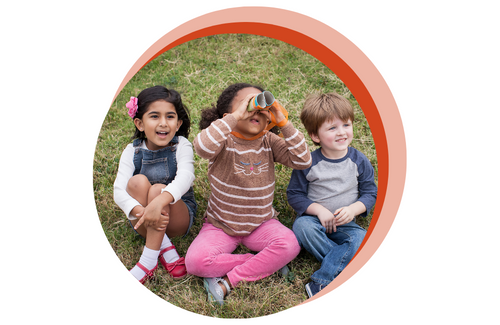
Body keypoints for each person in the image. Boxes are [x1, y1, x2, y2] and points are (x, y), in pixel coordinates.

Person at [185, 83, 312, 305]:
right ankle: (260, 261)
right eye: (248, 105)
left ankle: (230, 280)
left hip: (261, 224)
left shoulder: (269, 141)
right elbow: (201, 147)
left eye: (262, 108)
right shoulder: (222, 141)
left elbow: (303, 161)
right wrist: (234, 118)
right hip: (220, 226)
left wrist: (284, 122)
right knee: (195, 262)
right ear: (228, 116)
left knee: (290, 244)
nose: (256, 111)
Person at [286, 92, 377, 298]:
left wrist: (354, 209)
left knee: (361, 238)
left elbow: (370, 192)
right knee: (301, 227)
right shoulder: (308, 163)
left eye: (346, 125)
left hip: (346, 225)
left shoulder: (358, 161)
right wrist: (318, 211)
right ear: (316, 136)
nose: (341, 132)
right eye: (332, 128)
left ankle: (322, 281)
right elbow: (295, 194)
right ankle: (345, 260)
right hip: (315, 222)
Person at [113, 85, 197, 284]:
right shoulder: (131, 151)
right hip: (145, 219)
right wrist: (143, 211)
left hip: (177, 218)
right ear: (140, 123)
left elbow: (186, 176)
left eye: (170, 116)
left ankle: (147, 261)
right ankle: (165, 248)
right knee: (135, 182)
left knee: (159, 190)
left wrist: (159, 203)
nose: (163, 123)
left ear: (178, 124)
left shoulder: (181, 145)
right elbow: (118, 190)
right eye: (154, 116)